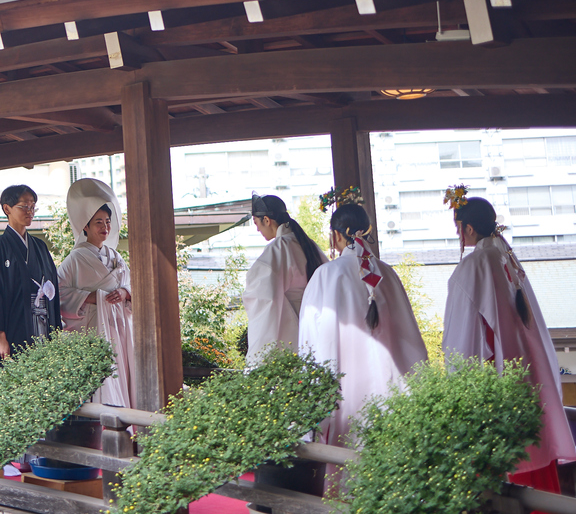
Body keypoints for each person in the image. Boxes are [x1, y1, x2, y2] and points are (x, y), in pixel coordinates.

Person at [443, 195, 575, 494]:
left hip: (496, 375)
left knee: (503, 462)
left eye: (458, 227)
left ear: (469, 229)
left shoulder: (474, 264)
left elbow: (459, 335)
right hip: (526, 372)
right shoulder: (508, 258)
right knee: (531, 450)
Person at [298, 200, 427, 449]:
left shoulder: (326, 274)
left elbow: (310, 340)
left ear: (336, 235)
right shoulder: (388, 274)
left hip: (345, 393)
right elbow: (410, 339)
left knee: (348, 457)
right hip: (390, 390)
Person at [57, 178, 137, 408]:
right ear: (85, 226)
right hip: (93, 327)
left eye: (108, 222)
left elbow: (132, 284)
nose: (105, 227)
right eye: (98, 222)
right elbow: (59, 292)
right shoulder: (75, 258)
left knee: (123, 370)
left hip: (119, 326)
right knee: (101, 376)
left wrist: (124, 293)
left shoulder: (116, 256)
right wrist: (93, 297)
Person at [242, 193, 327, 366]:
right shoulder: (310, 245)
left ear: (267, 220)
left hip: (296, 326)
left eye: (256, 223)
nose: (257, 230)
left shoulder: (278, 249)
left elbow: (264, 298)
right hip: (317, 325)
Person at [0, 184, 61, 358]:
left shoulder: (40, 246)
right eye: (24, 206)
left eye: (32, 207)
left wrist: (55, 330)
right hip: (14, 324)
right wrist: (0, 335)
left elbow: (52, 285)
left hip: (43, 322)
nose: (30, 211)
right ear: (7, 209)